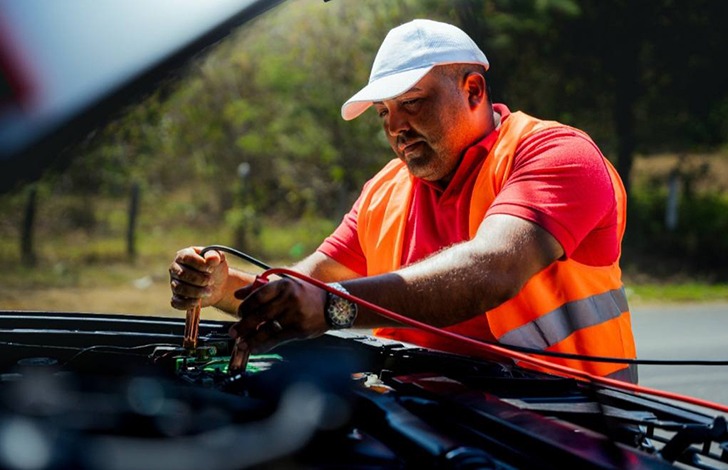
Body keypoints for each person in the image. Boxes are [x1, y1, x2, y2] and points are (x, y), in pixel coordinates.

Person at [169, 19, 637, 383]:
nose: (396, 127)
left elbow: (493, 270)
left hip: (572, 428)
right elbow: (306, 287)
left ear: (473, 90)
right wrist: (224, 287)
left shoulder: (555, 153)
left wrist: (332, 308)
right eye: (383, 113)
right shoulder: (385, 189)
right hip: (424, 421)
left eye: (411, 102)